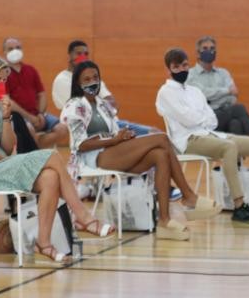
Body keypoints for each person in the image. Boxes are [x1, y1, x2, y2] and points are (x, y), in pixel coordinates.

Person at [0, 55, 115, 261]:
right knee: (53, 156)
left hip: (1, 166)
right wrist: (9, 161)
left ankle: (43, 243)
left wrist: (7, 117)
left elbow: (9, 146)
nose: (2, 85)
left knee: (50, 178)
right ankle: (83, 217)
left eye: (4, 81)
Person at [61, 60, 220, 241]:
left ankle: (164, 221)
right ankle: (188, 196)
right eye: (87, 79)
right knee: (162, 139)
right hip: (93, 157)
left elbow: (113, 132)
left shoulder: (103, 104)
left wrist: (123, 136)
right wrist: (115, 139)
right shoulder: (74, 105)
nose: (92, 82)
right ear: (78, 83)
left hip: (113, 150)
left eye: (95, 77)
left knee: (159, 155)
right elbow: (79, 144)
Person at [157, 48, 249, 223]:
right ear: (168, 70)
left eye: (184, 65)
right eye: (176, 67)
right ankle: (239, 206)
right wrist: (199, 118)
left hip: (210, 134)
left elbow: (212, 119)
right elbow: (189, 120)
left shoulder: (195, 91)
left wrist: (199, 119)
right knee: (229, 147)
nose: (182, 70)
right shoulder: (165, 92)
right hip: (187, 141)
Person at [52, 40, 159, 137]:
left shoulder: (92, 76)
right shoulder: (62, 80)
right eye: (79, 54)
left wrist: (101, 106)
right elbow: (81, 110)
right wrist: (102, 106)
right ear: (69, 57)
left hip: (114, 123)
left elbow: (113, 104)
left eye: (86, 54)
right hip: (93, 129)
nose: (82, 57)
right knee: (154, 137)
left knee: (156, 133)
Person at [2, 37, 68, 147]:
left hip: (37, 114)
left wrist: (40, 114)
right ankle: (35, 152)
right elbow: (8, 101)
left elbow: (42, 94)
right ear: (4, 52)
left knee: (62, 129)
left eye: (18, 48)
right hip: (17, 117)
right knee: (28, 130)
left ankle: (34, 147)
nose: (15, 51)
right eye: (10, 49)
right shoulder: (3, 73)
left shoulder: (30, 70)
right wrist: (29, 117)